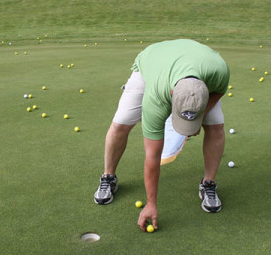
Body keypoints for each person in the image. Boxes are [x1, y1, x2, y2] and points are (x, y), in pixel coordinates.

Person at [94, 39, 230, 232]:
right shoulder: (155, 98)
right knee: (121, 123)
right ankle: (109, 176)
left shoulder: (219, 71)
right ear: (172, 94)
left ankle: (208, 182)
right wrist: (151, 204)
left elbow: (220, 91)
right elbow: (152, 155)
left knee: (216, 127)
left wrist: (202, 115)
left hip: (198, 63)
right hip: (152, 62)